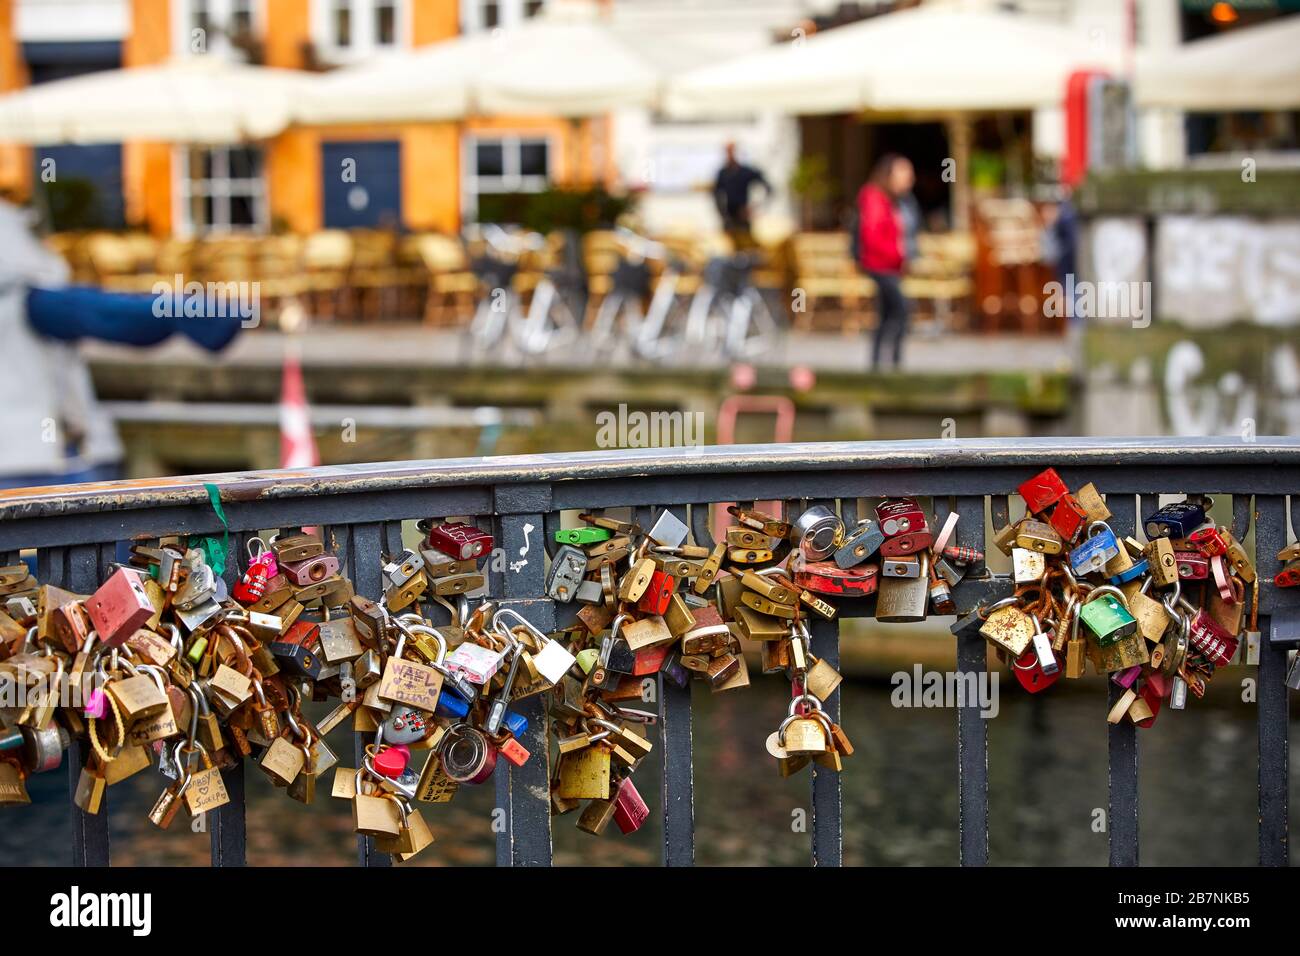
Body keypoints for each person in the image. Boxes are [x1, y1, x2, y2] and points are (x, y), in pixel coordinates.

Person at [855, 154, 916, 371]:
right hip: (881, 266)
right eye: (904, 173)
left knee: (886, 316)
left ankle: (879, 365)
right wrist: (897, 256)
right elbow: (872, 236)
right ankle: (893, 364)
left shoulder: (898, 200)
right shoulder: (875, 198)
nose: (910, 178)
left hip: (890, 266)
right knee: (902, 310)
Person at [713, 142, 770, 250]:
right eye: (727, 151)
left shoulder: (745, 172)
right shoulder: (722, 173)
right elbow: (716, 194)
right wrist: (722, 213)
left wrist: (755, 207)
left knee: (747, 249)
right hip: (729, 219)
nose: (729, 154)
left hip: (743, 217)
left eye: (731, 151)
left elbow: (767, 187)